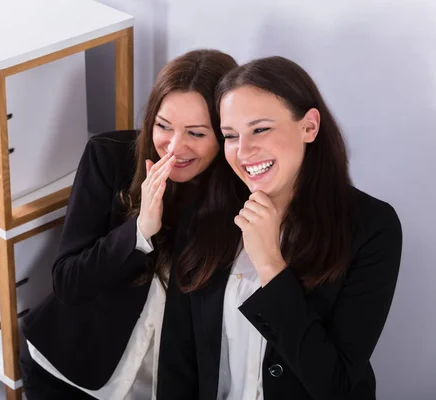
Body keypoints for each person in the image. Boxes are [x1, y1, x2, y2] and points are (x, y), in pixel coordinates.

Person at [157, 56, 403, 400]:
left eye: (260, 129)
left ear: (309, 127)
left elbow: (336, 386)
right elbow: (176, 364)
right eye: (230, 135)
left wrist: (271, 264)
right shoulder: (207, 217)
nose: (243, 151)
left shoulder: (372, 227)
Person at [20, 49, 243, 399]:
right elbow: (68, 281)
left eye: (197, 134)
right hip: (69, 372)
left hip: (153, 385)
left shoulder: (239, 196)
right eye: (163, 126)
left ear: (225, 134)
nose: (174, 146)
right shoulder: (108, 157)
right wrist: (139, 231)